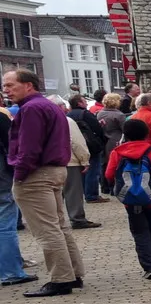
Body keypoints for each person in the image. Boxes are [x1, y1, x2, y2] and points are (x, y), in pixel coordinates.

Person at [3, 69, 85, 296]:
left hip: (36, 174)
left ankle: (61, 279)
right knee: (59, 225)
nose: (6, 90)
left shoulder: (31, 109)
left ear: (28, 85)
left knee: (47, 229)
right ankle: (73, 273)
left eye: (10, 85)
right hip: (54, 170)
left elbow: (29, 147)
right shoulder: (48, 105)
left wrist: (20, 175)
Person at [105, 117, 151, 279]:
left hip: (131, 200)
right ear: (146, 134)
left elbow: (109, 174)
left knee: (140, 233)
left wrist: (118, 188)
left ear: (125, 134)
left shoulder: (117, 153)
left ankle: (149, 266)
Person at [0, 103, 31, 287]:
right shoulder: (2, 118)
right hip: (2, 179)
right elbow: (11, 146)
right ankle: (11, 271)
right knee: (5, 226)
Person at [56, 97, 97, 230]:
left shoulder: (42, 121)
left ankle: (56, 220)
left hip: (52, 162)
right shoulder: (66, 121)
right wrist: (85, 159)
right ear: (61, 107)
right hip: (70, 161)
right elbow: (76, 142)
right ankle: (77, 218)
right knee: (73, 191)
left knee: (56, 193)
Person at [69, 94, 107, 204]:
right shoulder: (85, 114)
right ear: (79, 103)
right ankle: (92, 195)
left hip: (75, 146)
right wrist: (101, 139)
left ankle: (85, 192)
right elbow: (97, 128)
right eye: (84, 101)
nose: (86, 103)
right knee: (93, 170)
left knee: (82, 171)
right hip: (90, 145)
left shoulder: (68, 115)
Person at [97, 93, 127, 196]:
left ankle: (104, 186)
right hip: (116, 140)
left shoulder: (100, 113)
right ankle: (115, 187)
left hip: (103, 140)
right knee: (116, 164)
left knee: (104, 164)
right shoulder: (119, 115)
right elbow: (125, 129)